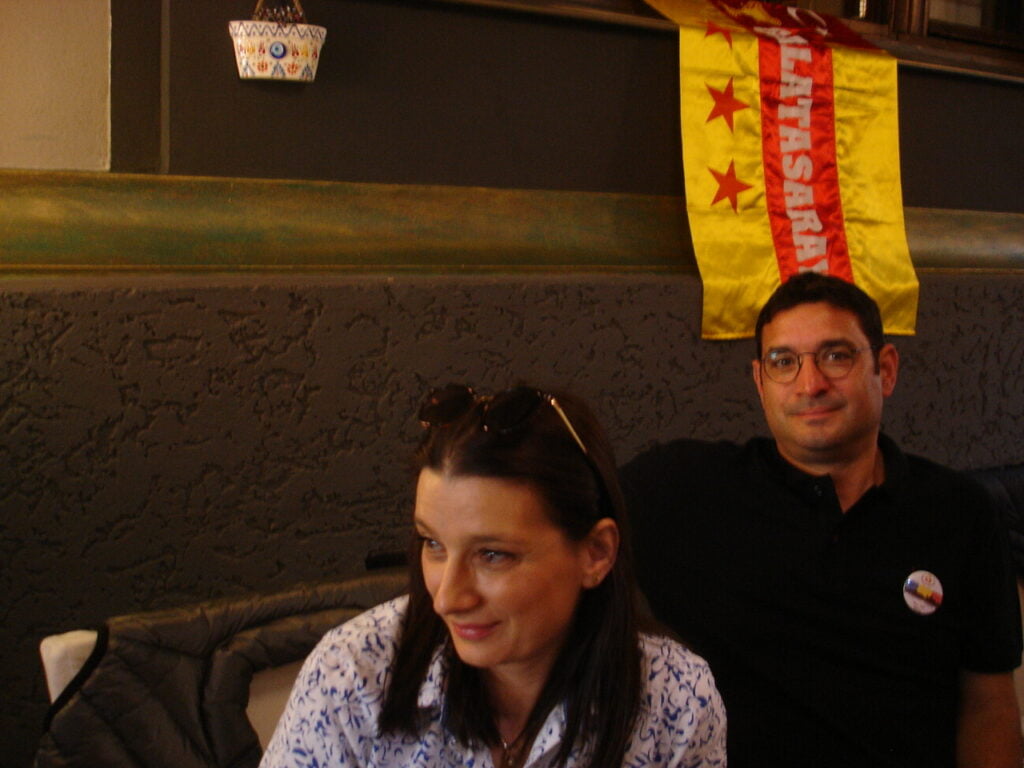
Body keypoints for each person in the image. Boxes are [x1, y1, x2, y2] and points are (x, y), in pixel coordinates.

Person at [621, 272, 1023, 768]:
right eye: (783, 362)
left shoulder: (958, 511)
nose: (810, 385)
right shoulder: (681, 491)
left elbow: (988, 703)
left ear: (886, 369)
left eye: (836, 356)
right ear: (760, 383)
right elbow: (563, 525)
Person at [261, 383, 726, 768]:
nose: (447, 599)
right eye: (433, 544)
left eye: (492, 555)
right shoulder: (353, 673)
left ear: (596, 553)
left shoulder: (675, 700)